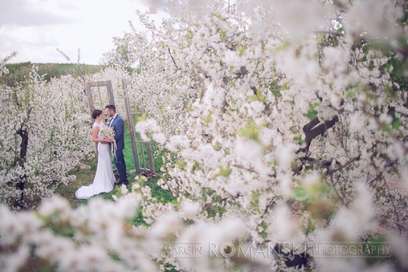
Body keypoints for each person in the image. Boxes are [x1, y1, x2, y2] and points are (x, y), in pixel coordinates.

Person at [75, 109, 115, 199]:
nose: (103, 115)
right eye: (101, 114)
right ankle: (104, 183)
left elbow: (105, 132)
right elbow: (94, 139)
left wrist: (109, 137)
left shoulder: (101, 123)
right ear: (97, 116)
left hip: (106, 146)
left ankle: (110, 180)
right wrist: (104, 140)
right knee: (103, 163)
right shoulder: (96, 125)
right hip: (102, 146)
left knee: (107, 162)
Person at [104, 104, 128, 191]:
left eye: (107, 111)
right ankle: (122, 179)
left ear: (111, 111)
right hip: (114, 145)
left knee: (120, 162)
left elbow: (119, 134)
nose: (106, 113)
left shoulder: (119, 120)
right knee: (118, 163)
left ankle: (124, 182)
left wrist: (109, 139)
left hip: (118, 145)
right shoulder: (111, 120)